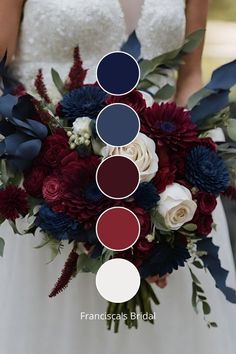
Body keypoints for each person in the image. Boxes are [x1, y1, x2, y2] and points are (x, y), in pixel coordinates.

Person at [0, 1, 235, 354]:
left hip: (166, 182)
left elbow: (189, 77)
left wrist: (185, 177)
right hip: (43, 188)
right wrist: (60, 171)